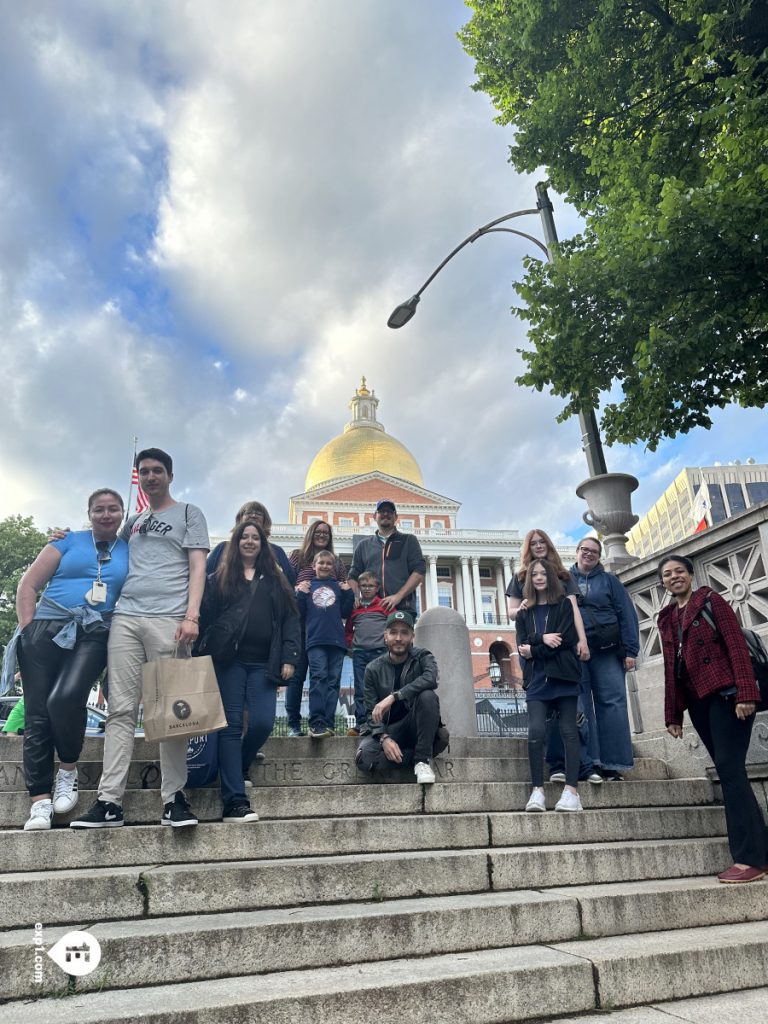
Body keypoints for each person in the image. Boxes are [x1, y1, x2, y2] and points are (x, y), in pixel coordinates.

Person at [71, 448, 209, 829]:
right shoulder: (133, 521)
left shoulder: (188, 513)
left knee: (172, 711)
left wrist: (191, 615)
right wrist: (64, 537)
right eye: (144, 471)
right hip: (127, 618)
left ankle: (174, 798)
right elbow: (100, 544)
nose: (150, 477)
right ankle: (109, 800)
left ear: (170, 475)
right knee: (120, 710)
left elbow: (199, 565)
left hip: (170, 618)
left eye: (157, 470)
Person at [4, 489, 129, 830]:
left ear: (122, 513)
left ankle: (69, 769)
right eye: (99, 509)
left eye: (113, 509)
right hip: (47, 628)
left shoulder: (129, 551)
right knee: (37, 715)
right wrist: (29, 632)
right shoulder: (66, 541)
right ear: (89, 513)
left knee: (67, 696)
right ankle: (40, 801)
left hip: (94, 631)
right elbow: (28, 585)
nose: (106, 515)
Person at [658, 554, 767, 883]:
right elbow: (670, 670)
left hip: (728, 696)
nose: (674, 577)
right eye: (667, 574)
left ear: (691, 575)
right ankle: (760, 850)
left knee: (729, 769)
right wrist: (673, 715)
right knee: (727, 770)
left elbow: (735, 645)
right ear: (662, 583)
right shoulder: (666, 618)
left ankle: (750, 858)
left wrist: (747, 692)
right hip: (698, 703)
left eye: (679, 571)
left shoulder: (711, 600)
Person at [198, 521, 300, 822]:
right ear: (236, 541)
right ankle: (235, 801)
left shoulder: (275, 580)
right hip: (229, 661)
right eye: (245, 537)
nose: (250, 541)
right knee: (229, 727)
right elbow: (206, 617)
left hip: (263, 663)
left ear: (262, 544)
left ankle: (237, 764)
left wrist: (290, 656)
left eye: (256, 537)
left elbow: (291, 620)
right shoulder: (220, 578)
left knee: (263, 722)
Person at [508, 530, 597, 784]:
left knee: (573, 711)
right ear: (527, 548)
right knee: (544, 714)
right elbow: (512, 613)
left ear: (549, 545)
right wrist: (523, 608)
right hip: (533, 646)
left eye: (542, 542)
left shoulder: (562, 575)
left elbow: (573, 610)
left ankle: (584, 764)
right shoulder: (520, 577)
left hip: (560, 646)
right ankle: (557, 764)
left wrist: (582, 640)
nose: (538, 546)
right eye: (533, 543)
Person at [570, 536, 639, 781]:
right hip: (576, 651)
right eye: (585, 550)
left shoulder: (610, 581)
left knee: (613, 705)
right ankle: (590, 762)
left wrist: (631, 651)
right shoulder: (564, 581)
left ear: (599, 557)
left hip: (608, 650)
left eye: (594, 552)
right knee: (581, 707)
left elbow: (627, 614)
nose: (589, 554)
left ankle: (614, 763)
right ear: (577, 552)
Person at [516, 559, 583, 812]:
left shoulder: (564, 604)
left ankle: (572, 792)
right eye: (535, 574)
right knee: (535, 733)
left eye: (544, 573)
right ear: (530, 579)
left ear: (551, 577)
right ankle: (537, 791)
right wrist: (540, 639)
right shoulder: (524, 612)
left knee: (568, 731)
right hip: (536, 679)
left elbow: (566, 640)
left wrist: (535, 649)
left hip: (564, 676)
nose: (540, 577)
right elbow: (522, 647)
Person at [355, 611, 447, 784]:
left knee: (428, 696)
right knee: (364, 758)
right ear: (385, 636)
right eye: (393, 632)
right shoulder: (372, 669)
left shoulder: (422, 656)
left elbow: (431, 678)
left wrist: (394, 697)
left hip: (414, 725)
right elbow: (370, 711)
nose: (398, 638)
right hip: (390, 730)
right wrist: (384, 739)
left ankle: (422, 761)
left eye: (404, 632)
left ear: (412, 636)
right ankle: (414, 756)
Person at [285, 521, 348, 736]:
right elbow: (284, 584)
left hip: (325, 629)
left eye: (326, 533)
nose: (322, 535)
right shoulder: (297, 556)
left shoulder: (337, 563)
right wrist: (297, 589)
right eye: (318, 532)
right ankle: (294, 725)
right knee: (297, 676)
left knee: (325, 677)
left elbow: (342, 593)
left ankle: (324, 723)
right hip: (299, 626)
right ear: (311, 533)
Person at [296, 551, 354, 738]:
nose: (325, 566)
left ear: (334, 568)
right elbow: (300, 613)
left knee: (332, 683)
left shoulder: (338, 587)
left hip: (337, 641)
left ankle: (329, 724)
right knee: (318, 678)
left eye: (329, 563)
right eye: (321, 562)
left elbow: (345, 612)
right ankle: (317, 722)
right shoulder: (308, 586)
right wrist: (300, 594)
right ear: (314, 565)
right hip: (315, 640)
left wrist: (348, 593)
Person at [348, 500, 425, 614]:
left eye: (389, 511)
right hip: (372, 610)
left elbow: (419, 571)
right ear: (375, 516)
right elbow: (353, 576)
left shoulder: (409, 540)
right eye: (381, 511)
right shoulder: (363, 545)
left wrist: (398, 596)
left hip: (402, 608)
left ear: (396, 516)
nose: (385, 514)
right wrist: (356, 597)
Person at [208, 501, 296, 586]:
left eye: (258, 514)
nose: (253, 515)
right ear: (240, 518)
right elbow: (204, 577)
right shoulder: (222, 548)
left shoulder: (277, 551)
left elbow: (290, 581)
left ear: (265, 521)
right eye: (248, 512)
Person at [344, 571, 387, 736]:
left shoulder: (384, 605)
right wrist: (351, 645)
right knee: (360, 689)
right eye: (363, 586)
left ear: (377, 588)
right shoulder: (355, 609)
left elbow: (393, 626)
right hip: (360, 653)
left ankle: (379, 722)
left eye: (370, 586)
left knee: (380, 688)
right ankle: (362, 723)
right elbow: (348, 630)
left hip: (380, 652)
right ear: (359, 588)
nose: (367, 589)